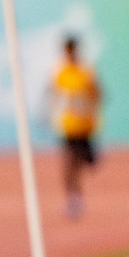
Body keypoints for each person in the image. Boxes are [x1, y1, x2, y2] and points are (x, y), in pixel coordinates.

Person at [51, 36, 102, 219]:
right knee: (68, 164)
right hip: (68, 126)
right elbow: (54, 95)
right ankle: (74, 199)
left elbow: (98, 94)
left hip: (85, 126)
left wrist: (86, 105)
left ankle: (92, 157)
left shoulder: (86, 71)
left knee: (83, 163)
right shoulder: (60, 72)